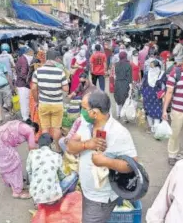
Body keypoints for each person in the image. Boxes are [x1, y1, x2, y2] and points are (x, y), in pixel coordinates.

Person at [67, 91, 138, 223]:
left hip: (102, 198)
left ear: (95, 112)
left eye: (84, 108)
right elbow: (70, 146)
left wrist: (105, 161)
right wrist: (86, 144)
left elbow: (132, 165)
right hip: (87, 191)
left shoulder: (119, 133)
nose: (81, 111)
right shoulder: (85, 123)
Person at [0, 120, 39, 199]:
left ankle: (10, 182)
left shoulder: (18, 124)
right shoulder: (30, 130)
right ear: (34, 130)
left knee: (4, 163)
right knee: (14, 163)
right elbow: (32, 149)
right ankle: (17, 192)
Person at [32, 49, 69, 151]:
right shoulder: (60, 72)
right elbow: (66, 89)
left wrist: (36, 101)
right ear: (56, 59)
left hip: (43, 104)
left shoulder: (37, 71)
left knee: (45, 128)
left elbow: (34, 88)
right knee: (57, 128)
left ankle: (46, 149)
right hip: (57, 104)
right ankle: (57, 148)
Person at [26, 133, 78, 205]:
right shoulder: (57, 156)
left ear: (39, 144)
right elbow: (62, 176)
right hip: (53, 198)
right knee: (75, 174)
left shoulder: (32, 153)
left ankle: (37, 201)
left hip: (36, 196)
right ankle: (68, 199)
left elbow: (29, 171)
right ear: (51, 144)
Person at [142, 60, 167, 133]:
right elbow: (166, 85)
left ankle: (151, 128)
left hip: (147, 95)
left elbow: (143, 84)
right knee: (157, 111)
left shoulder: (147, 73)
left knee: (148, 111)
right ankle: (156, 129)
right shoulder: (162, 74)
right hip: (157, 96)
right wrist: (164, 92)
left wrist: (142, 94)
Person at [16, 47, 33, 121]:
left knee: (25, 102)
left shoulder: (22, 58)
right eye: (32, 53)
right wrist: (30, 80)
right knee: (24, 102)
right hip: (22, 85)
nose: (33, 55)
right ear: (28, 53)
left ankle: (26, 116)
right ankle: (25, 119)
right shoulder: (24, 61)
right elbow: (23, 74)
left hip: (22, 84)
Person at [114, 51, 132, 119]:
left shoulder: (116, 64)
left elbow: (116, 74)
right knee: (125, 99)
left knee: (118, 98)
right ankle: (124, 116)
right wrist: (130, 86)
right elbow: (129, 77)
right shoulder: (128, 65)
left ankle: (118, 114)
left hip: (118, 83)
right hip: (125, 83)